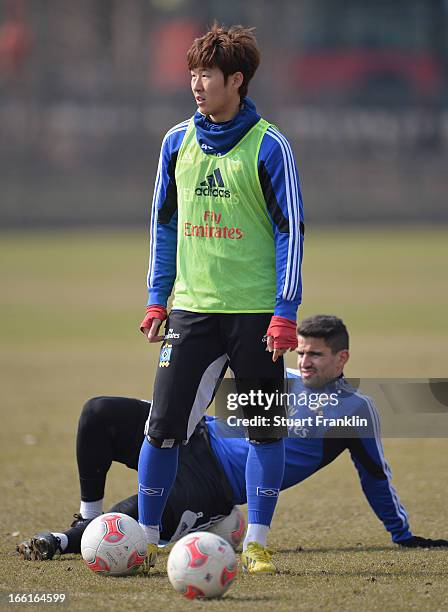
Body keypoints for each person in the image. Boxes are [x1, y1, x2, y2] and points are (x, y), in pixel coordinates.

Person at [17, 315, 448, 563]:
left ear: (342, 358)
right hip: (194, 435)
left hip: (214, 484)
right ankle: (81, 517)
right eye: (300, 351)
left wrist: (403, 535)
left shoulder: (355, 410)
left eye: (315, 354)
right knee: (99, 412)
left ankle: (57, 541)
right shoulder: (276, 376)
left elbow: (375, 476)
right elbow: (212, 399)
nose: (303, 361)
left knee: (126, 520)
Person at [138, 22, 304, 575]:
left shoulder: (270, 145)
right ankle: (145, 539)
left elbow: (292, 232)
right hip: (192, 309)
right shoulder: (175, 142)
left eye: (206, 74)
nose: (196, 83)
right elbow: (162, 226)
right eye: (192, 73)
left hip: (257, 315)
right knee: (163, 427)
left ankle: (256, 541)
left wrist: (285, 311)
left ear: (237, 80)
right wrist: (157, 299)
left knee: (263, 425)